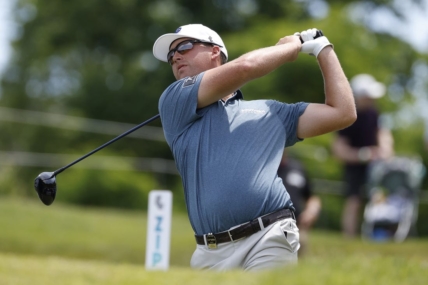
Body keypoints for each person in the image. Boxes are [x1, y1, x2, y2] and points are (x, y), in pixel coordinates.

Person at [152, 24, 356, 271]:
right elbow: (244, 67)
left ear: (215, 52)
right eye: (171, 55)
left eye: (184, 46)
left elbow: (342, 113)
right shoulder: (174, 101)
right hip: (209, 252)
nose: (175, 56)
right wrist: (288, 49)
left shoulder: (271, 110)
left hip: (269, 234)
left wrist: (323, 49)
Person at [331, 74, 394, 239]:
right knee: (354, 201)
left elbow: (383, 135)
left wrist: (385, 150)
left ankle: (379, 235)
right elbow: (339, 150)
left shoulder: (374, 113)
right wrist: (362, 155)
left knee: (380, 201)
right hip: (354, 167)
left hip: (375, 166)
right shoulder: (348, 116)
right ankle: (349, 237)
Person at [277, 151, 321, 256]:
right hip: (270, 225)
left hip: (296, 225)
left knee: (301, 243)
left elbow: (312, 197)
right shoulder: (264, 169)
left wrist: (311, 211)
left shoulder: (297, 168)